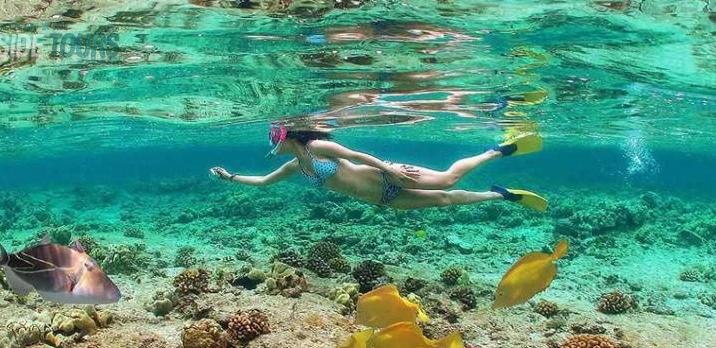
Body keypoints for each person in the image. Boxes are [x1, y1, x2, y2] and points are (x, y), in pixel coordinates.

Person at [209, 125, 548, 211]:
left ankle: (495, 152)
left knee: (448, 179)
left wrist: (391, 170)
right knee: (445, 201)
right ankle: (499, 196)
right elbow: (264, 182)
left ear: (289, 136)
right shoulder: (295, 167)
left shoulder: (317, 147)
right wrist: (231, 178)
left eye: (275, 136)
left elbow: (355, 155)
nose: (273, 142)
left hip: (386, 174)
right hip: (381, 200)